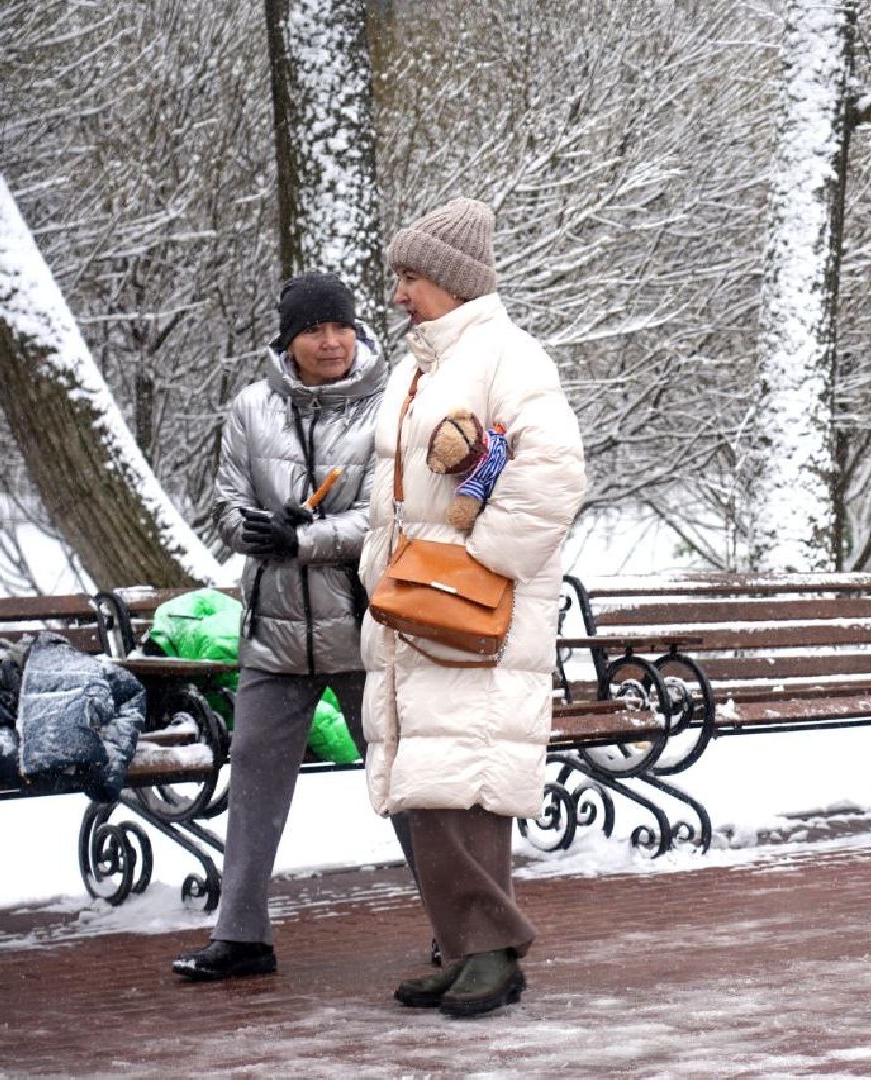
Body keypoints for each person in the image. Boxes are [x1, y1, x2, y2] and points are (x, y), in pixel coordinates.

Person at [362, 198, 586, 1018]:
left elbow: (553, 475)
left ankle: (492, 951)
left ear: (450, 282)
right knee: (432, 783)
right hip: (416, 609)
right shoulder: (420, 364)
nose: (397, 295)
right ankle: (465, 948)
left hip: (468, 609)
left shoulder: (508, 357)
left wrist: (476, 564)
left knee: (467, 781)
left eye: (410, 278)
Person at [173, 273, 411, 980]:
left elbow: (385, 514)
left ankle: (459, 930)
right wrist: (256, 530)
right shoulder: (250, 408)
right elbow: (224, 501)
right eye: (314, 330)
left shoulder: (389, 402)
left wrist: (305, 539)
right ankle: (241, 936)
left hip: (363, 631)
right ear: (288, 340)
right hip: (271, 636)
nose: (330, 342)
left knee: (404, 782)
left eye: (340, 327)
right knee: (252, 779)